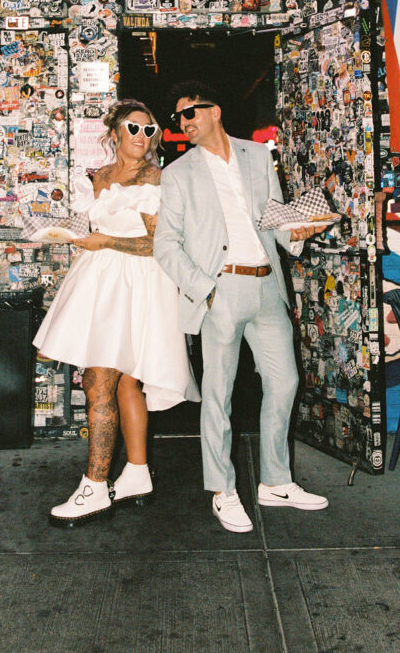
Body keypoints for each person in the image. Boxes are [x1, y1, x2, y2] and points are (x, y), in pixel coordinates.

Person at [154, 81, 329, 534]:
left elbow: (274, 219)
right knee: (219, 394)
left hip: (267, 285)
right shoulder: (178, 173)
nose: (183, 123)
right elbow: (166, 246)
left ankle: (275, 481)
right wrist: (204, 289)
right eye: (178, 118)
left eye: (189, 114)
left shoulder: (257, 156)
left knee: (285, 382)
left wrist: (299, 233)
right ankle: (222, 490)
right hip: (221, 290)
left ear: (214, 111)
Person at [33, 98, 199, 527]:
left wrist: (105, 241)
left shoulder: (155, 179)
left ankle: (94, 485)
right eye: (133, 128)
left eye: (150, 130)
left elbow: (157, 244)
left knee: (100, 381)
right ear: (114, 133)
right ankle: (138, 474)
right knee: (125, 381)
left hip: (138, 282)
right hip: (100, 281)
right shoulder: (99, 177)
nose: (142, 138)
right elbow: (92, 231)